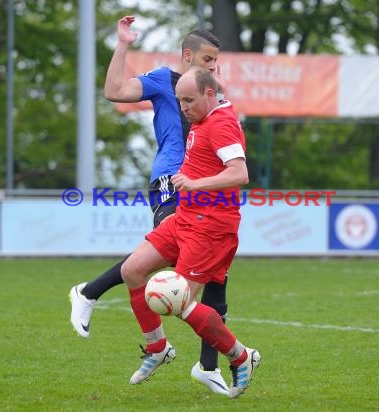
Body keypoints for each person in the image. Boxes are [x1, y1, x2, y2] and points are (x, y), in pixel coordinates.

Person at [69, 15, 230, 395]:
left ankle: (207, 366)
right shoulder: (163, 80)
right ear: (187, 55)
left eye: (216, 61)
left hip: (207, 186)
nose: (213, 67)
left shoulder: (214, 95)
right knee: (172, 248)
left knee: (216, 274)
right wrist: (123, 44)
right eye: (207, 59)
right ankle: (89, 291)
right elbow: (115, 91)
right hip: (172, 181)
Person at [121, 67, 260, 399]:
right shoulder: (207, 115)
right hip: (184, 218)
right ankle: (157, 348)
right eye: (179, 100)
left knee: (179, 301)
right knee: (132, 271)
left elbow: (239, 173)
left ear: (208, 96)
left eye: (188, 100)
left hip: (210, 227)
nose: (183, 107)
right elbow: (214, 90)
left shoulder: (222, 124)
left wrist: (196, 184)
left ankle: (241, 356)